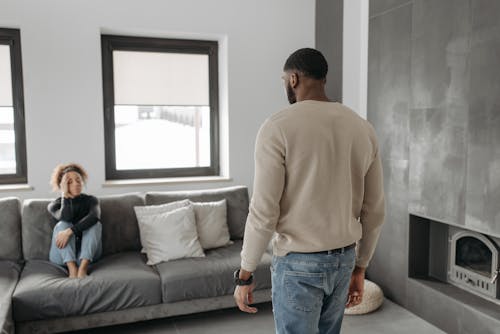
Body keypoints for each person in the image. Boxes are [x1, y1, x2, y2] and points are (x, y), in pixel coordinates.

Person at [233, 48, 385, 334]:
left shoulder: (276, 127)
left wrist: (245, 273)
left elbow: (264, 211)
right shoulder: (362, 128)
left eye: (283, 80)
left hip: (298, 264)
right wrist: (361, 266)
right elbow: (374, 210)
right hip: (343, 260)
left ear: (293, 79)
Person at [48, 163, 102, 278]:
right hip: (61, 257)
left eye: (78, 180)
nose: (76, 183)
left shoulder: (91, 200)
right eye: (69, 182)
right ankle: (72, 268)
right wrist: (65, 196)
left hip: (88, 255)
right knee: (62, 224)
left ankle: (82, 269)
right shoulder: (54, 205)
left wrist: (70, 232)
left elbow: (94, 217)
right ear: (62, 185)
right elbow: (65, 217)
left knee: (95, 225)